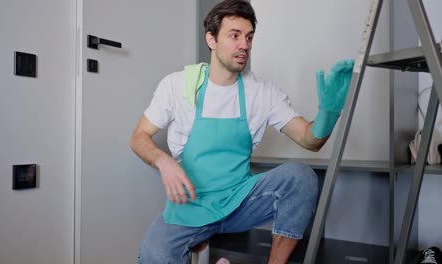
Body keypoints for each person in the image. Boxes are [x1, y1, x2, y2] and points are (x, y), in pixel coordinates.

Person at [130, 0, 354, 263]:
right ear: (211, 40)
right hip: (191, 206)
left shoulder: (261, 93)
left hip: (240, 202)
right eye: (234, 36)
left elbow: (310, 140)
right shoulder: (177, 86)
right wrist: (163, 161)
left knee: (300, 177)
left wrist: (329, 113)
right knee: (154, 254)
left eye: (248, 37)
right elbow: (138, 137)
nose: (244, 45)